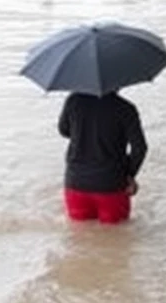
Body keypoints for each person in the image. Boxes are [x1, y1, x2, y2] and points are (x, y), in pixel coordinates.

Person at [57, 91, 148, 224]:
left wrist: (83, 132)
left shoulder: (74, 100)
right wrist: (129, 175)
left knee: (80, 239)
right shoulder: (125, 108)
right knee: (117, 239)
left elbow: (64, 130)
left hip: (76, 183)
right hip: (111, 185)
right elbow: (140, 148)